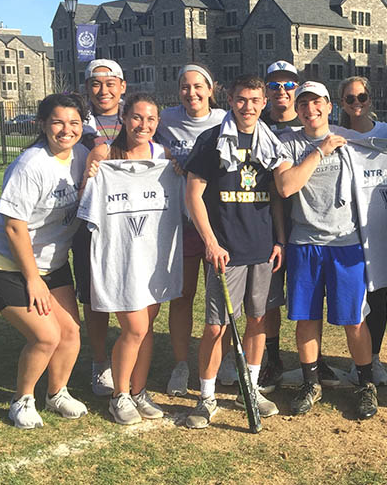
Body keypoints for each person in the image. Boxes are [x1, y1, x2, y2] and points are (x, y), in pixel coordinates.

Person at [183, 74, 288, 428]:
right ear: (231, 100)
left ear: (263, 104)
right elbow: (193, 195)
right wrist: (211, 242)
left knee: (258, 320)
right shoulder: (212, 140)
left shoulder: (270, 142)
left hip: (261, 250)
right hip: (225, 252)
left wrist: (279, 239)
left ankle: (252, 387)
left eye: (254, 101)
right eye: (241, 100)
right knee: (216, 327)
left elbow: (275, 197)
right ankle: (206, 397)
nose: (248, 107)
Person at [0, 93, 89, 428]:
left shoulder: (81, 155)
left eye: (74, 123)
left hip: (50, 264)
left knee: (70, 332)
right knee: (45, 336)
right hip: (7, 265)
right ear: (43, 125)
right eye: (57, 122)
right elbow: (13, 227)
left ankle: (57, 394)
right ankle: (21, 400)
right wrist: (32, 279)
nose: (66, 130)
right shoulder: (30, 164)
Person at [273, 81, 378, 420]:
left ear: (330, 106)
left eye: (317, 103)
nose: (310, 110)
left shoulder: (347, 141)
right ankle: (311, 380)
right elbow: (287, 186)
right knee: (306, 317)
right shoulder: (288, 143)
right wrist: (319, 151)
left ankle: (365, 384)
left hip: (345, 243)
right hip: (305, 241)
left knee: (354, 319)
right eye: (303, 104)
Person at [79, 94, 182, 425]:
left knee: (147, 328)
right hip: (119, 259)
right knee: (134, 328)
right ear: (124, 118)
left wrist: (178, 172)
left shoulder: (163, 156)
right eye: (137, 118)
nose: (144, 125)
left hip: (151, 259)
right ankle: (118, 395)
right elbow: (86, 207)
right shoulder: (105, 155)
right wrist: (90, 176)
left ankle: (138, 391)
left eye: (151, 120)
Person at [257, 60, 340, 392]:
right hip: (270, 223)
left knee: (310, 301)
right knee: (271, 299)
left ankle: (315, 361)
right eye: (275, 85)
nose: (282, 91)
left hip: (314, 225)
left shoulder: (312, 123)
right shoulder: (258, 126)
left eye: (289, 85)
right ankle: (273, 359)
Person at [155, 63, 226, 397]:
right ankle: (181, 364)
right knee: (183, 297)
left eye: (199, 86)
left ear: (211, 89)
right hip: (180, 224)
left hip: (218, 225)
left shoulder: (226, 120)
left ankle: (221, 359)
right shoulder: (165, 119)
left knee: (223, 299)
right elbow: (136, 139)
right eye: (185, 86)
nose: (192, 93)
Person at [73, 59, 126, 397]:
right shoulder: (76, 121)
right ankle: (98, 362)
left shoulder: (139, 116)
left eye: (110, 83)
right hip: (90, 222)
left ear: (122, 86)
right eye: (96, 83)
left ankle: (130, 353)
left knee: (128, 292)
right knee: (93, 298)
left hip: (130, 222)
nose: (103, 90)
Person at [336, 76, 387, 386]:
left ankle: (375, 359)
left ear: (370, 99)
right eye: (349, 99)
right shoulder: (335, 135)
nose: (356, 103)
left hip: (380, 226)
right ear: (341, 103)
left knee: (378, 294)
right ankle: (358, 361)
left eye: (362, 97)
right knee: (356, 299)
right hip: (345, 226)